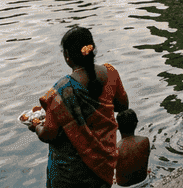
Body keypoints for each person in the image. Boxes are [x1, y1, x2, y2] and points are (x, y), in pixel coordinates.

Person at [28, 26, 128, 188]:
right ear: (92, 50)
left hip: (68, 173)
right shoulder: (111, 73)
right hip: (103, 165)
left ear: (67, 56)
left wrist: (36, 126)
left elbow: (48, 134)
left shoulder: (60, 91)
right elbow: (123, 105)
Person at [115, 109, 150, 187]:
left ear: (117, 126)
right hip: (143, 181)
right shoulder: (145, 141)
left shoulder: (116, 149)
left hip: (123, 186)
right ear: (136, 123)